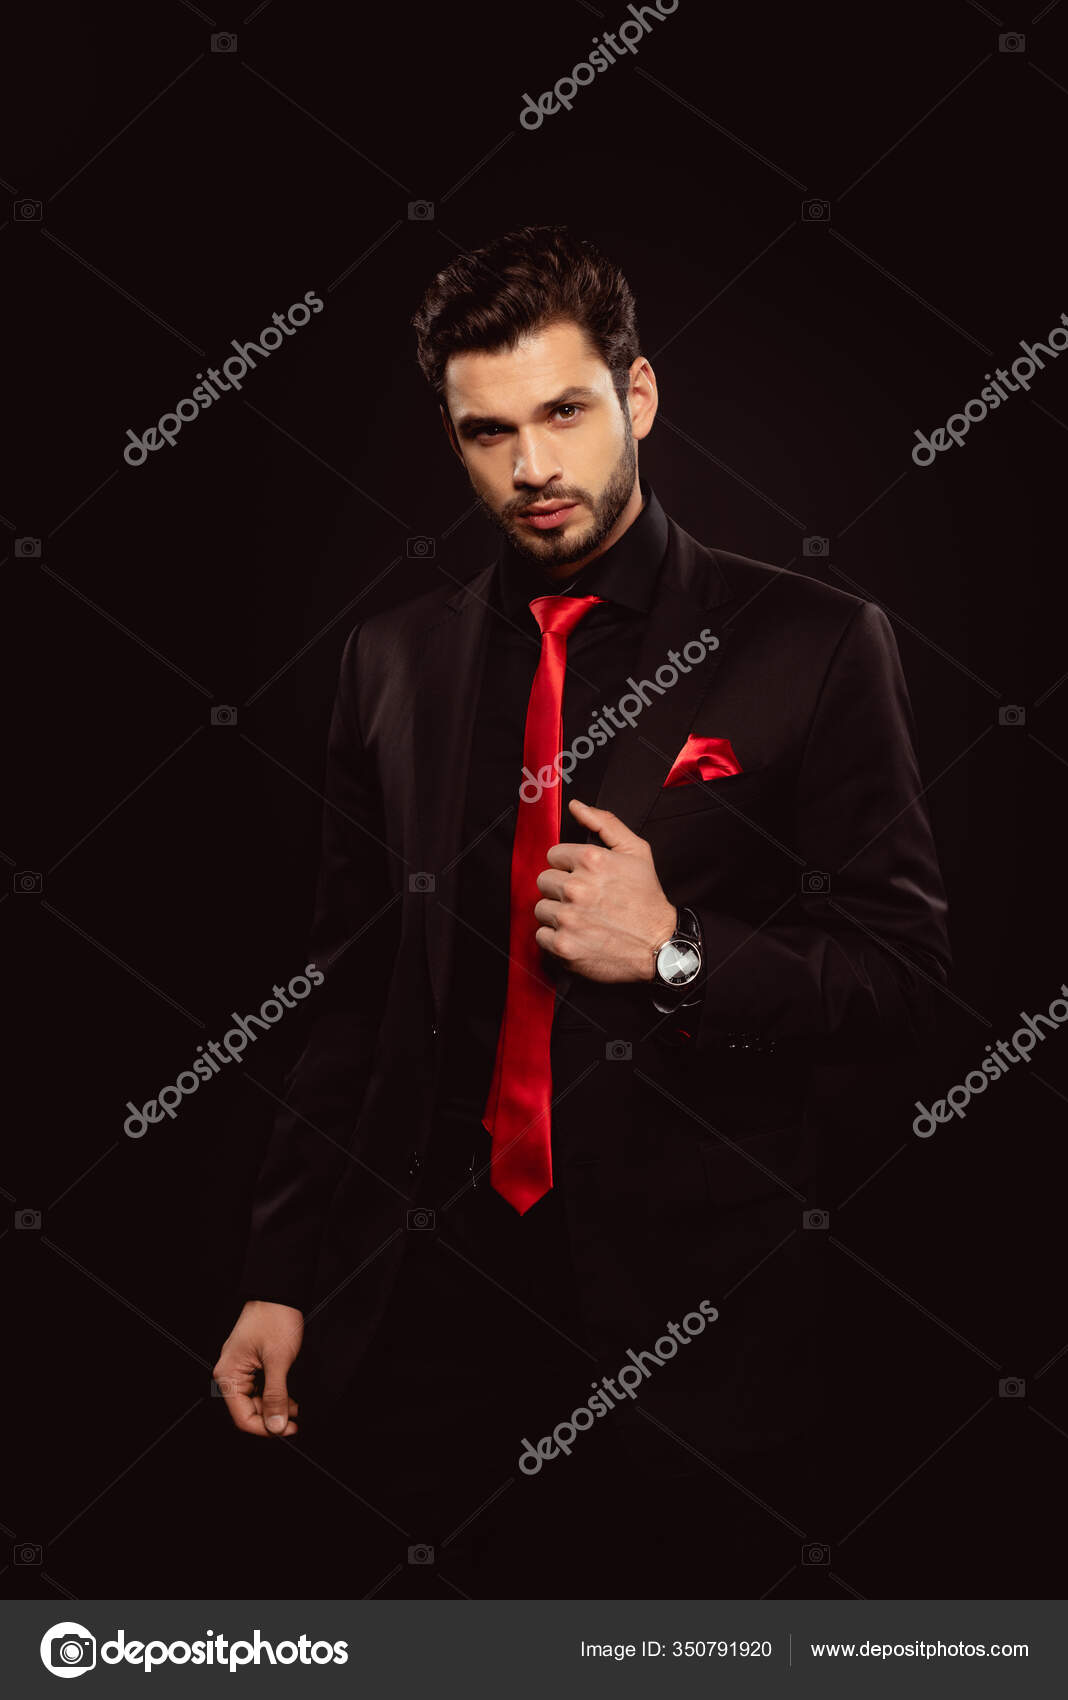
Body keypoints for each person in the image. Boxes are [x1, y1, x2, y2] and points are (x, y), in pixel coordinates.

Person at [213, 224, 950, 1598]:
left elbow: (906, 976)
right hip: (424, 1308)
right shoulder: (392, 660)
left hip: (693, 1331)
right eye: (488, 432)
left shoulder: (811, 643)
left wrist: (677, 954)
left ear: (640, 398)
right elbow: (356, 994)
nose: (534, 468)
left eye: (564, 412)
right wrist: (286, 1273)